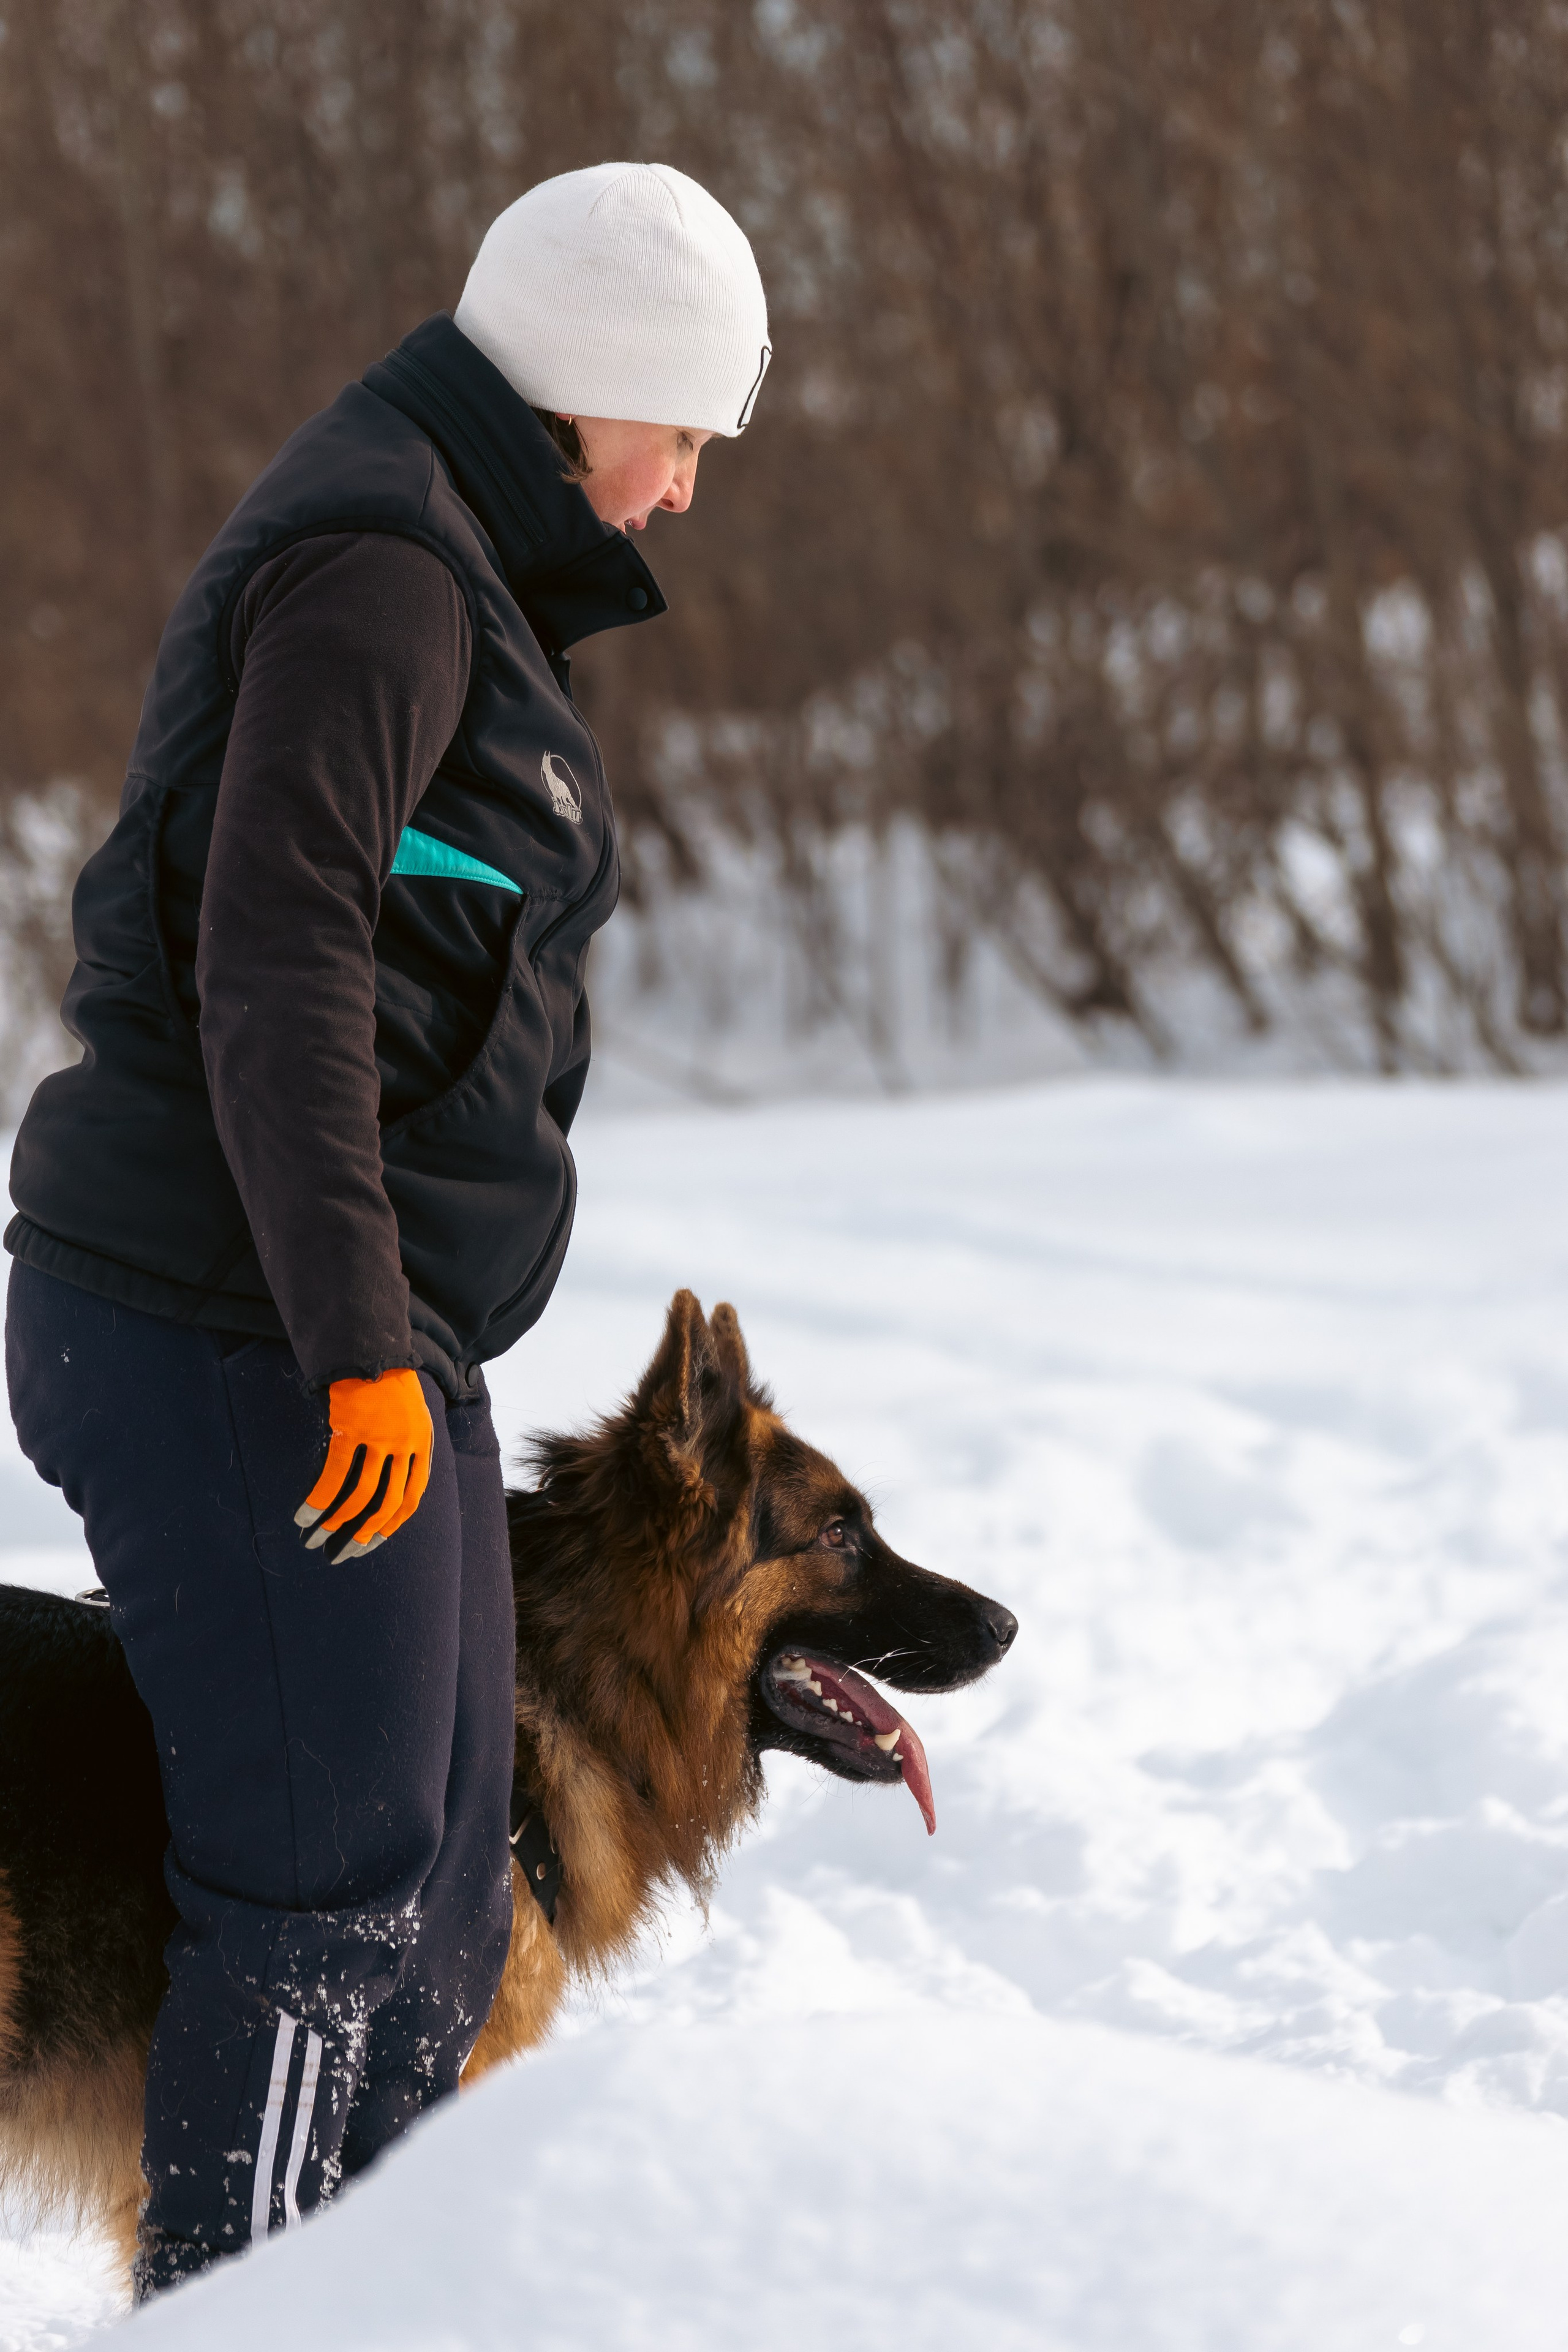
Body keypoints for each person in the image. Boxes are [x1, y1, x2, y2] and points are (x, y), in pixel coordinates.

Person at [3, 162, 769, 2299]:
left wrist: (384, 1327)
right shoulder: (385, 569)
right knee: (325, 1895)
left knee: (436, 1895)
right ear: (600, 384)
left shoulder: (451, 559)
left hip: (337, 1329)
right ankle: (242, 2321)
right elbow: (277, 966)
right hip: (232, 1322)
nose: (689, 489)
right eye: (688, 431)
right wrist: (350, 1330)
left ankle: (371, 2310)